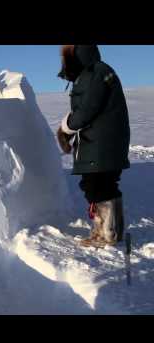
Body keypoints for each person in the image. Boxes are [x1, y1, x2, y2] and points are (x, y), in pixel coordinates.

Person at [56, 45, 130, 248]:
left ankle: (106, 234)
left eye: (66, 56)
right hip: (102, 141)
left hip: (102, 143)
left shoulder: (96, 73)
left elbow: (87, 109)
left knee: (98, 186)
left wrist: (66, 128)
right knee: (102, 185)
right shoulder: (95, 72)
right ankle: (109, 231)